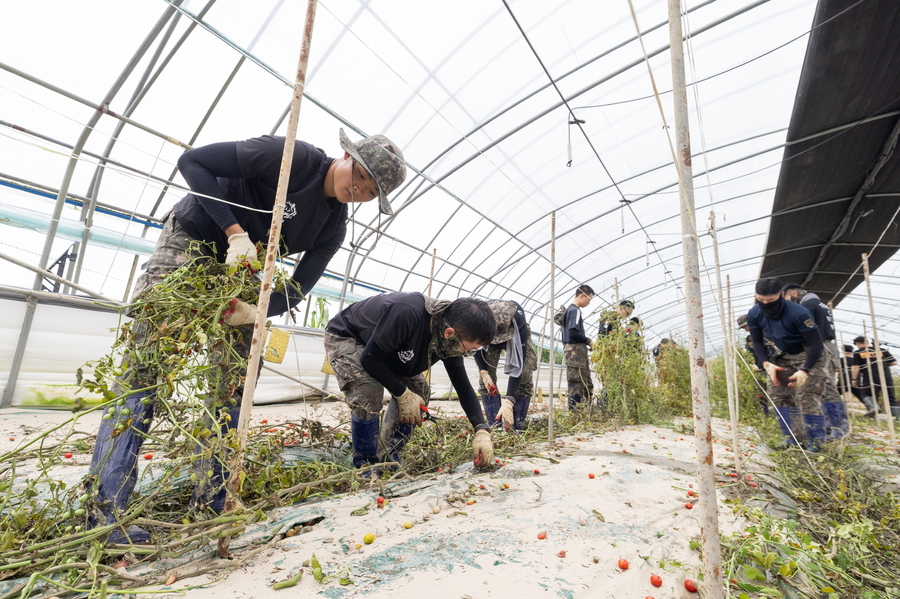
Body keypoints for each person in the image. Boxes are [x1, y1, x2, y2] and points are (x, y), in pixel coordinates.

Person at [86, 130, 407, 544]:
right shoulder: (289, 157)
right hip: (195, 240)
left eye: (369, 192)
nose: (358, 189)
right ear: (346, 155)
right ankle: (106, 516)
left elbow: (300, 286)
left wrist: (259, 310)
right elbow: (193, 163)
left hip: (241, 277)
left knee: (233, 385)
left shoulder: (332, 226)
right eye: (359, 175)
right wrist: (235, 232)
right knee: (146, 372)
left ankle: (212, 503)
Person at [324, 293, 497, 472]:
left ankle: (388, 457)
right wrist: (402, 394)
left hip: (388, 350)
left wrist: (481, 429)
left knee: (419, 391)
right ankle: (365, 464)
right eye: (471, 349)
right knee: (368, 390)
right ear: (450, 333)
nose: (467, 353)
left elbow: (462, 386)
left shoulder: (449, 340)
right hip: (350, 337)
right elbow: (370, 360)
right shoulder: (408, 313)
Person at [746, 277, 827, 450]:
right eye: (761, 300)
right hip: (784, 354)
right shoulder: (754, 314)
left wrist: (804, 371)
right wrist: (766, 364)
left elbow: (816, 345)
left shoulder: (799, 313)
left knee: (807, 397)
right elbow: (758, 342)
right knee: (778, 394)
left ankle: (817, 443)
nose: (765, 304)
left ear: (781, 295)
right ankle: (792, 438)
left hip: (809, 355)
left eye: (770, 300)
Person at [781, 284, 848, 438]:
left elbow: (803, 329)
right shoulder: (820, 304)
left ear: (794, 293)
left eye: (788, 299)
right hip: (829, 346)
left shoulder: (807, 305)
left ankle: (839, 429)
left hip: (822, 346)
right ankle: (835, 428)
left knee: (825, 387)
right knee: (826, 386)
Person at [474, 300, 537, 431]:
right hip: (487, 334)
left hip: (515, 334)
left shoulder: (519, 324)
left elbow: (519, 365)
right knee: (487, 382)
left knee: (525, 375)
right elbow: (476, 346)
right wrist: (483, 372)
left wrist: (509, 400)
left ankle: (516, 427)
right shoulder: (479, 317)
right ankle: (495, 427)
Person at [562, 284, 595, 411]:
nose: (589, 303)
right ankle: (575, 414)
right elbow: (573, 332)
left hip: (574, 351)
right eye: (589, 299)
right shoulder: (574, 310)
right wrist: (588, 340)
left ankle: (580, 413)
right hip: (575, 352)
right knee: (577, 383)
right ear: (582, 295)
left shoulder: (570, 310)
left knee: (582, 382)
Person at [851, 336, 898, 420]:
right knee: (890, 397)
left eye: (857, 345)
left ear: (858, 344)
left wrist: (854, 379)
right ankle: (898, 419)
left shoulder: (858, 352)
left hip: (870, 376)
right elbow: (894, 362)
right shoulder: (882, 350)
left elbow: (855, 367)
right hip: (886, 376)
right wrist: (884, 365)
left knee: (867, 394)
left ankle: (874, 407)